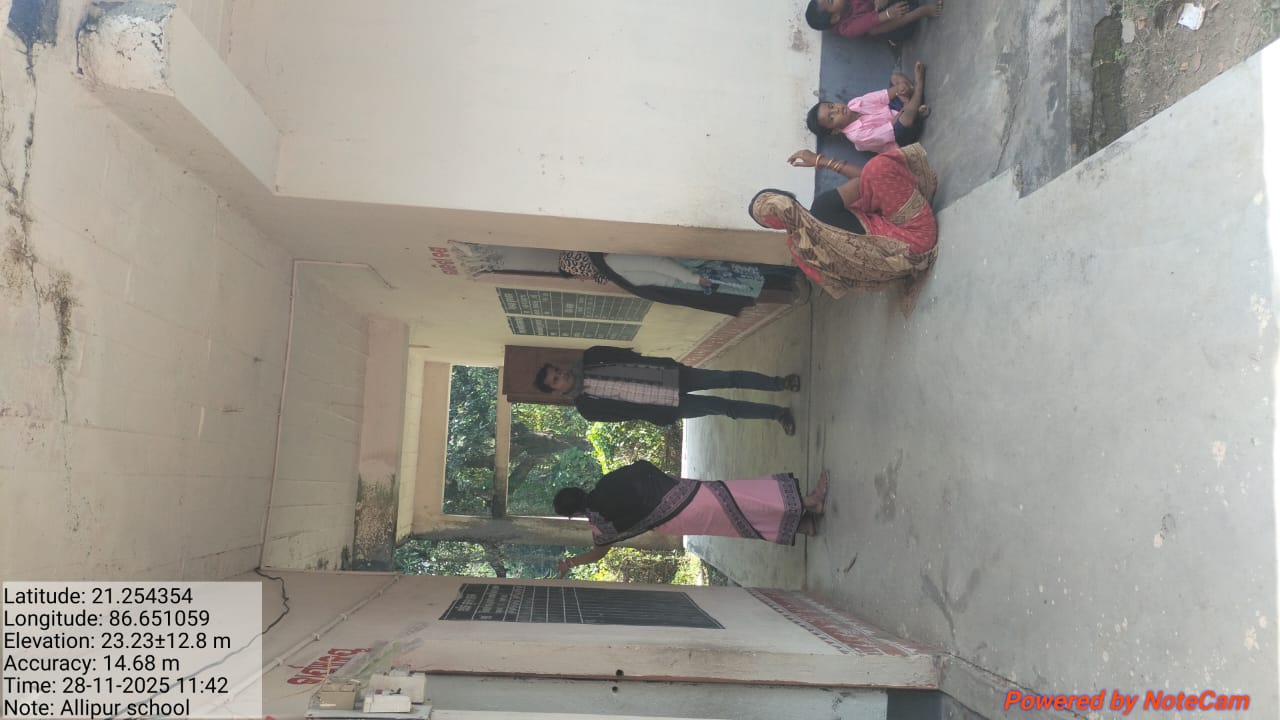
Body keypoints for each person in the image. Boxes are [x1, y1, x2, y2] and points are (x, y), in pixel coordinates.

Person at [746, 142, 938, 311]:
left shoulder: (799, 251)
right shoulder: (822, 208)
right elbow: (866, 178)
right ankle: (922, 186)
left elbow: (838, 285)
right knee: (877, 168)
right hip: (918, 237)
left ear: (776, 226)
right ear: (790, 198)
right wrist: (821, 161)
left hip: (899, 270)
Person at [554, 461, 830, 577]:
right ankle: (809, 502)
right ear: (579, 490)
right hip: (686, 496)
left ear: (574, 514)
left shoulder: (600, 527)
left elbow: (598, 554)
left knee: (735, 523)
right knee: (739, 497)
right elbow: (643, 469)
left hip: (678, 522)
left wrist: (570, 563)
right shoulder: (606, 484)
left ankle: (804, 526)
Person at [533, 346, 800, 435]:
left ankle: (779, 383)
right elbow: (625, 416)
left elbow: (632, 355)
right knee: (724, 407)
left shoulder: (592, 356)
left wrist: (664, 364)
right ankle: (777, 414)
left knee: (727, 378)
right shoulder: (587, 408)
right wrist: (656, 417)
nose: (561, 375)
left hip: (671, 376)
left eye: (557, 371)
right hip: (665, 406)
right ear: (556, 391)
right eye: (556, 380)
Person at [807, 63, 929, 155]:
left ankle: (914, 107)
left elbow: (884, 96)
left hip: (895, 109)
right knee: (906, 118)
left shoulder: (854, 103)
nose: (836, 110)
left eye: (832, 106)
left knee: (895, 77)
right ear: (835, 130)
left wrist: (899, 89)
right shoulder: (857, 136)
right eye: (831, 118)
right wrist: (904, 107)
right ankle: (919, 86)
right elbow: (890, 129)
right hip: (900, 135)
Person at [804, 0, 944, 42]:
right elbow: (868, 22)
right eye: (831, 1)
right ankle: (922, 12)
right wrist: (888, 13)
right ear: (835, 17)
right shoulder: (846, 28)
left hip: (882, 6)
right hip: (894, 24)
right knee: (874, 30)